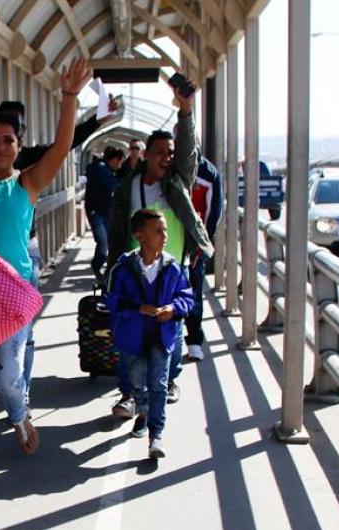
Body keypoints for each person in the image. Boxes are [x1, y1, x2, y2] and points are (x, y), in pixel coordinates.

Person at [0, 57, 93, 488]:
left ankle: (18, 413)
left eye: (7, 140)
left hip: (13, 296)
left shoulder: (27, 184)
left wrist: (69, 98)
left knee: (7, 372)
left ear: (19, 146)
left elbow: (62, 147)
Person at [105, 75, 213, 421]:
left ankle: (168, 381)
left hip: (174, 267)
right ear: (146, 156)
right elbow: (118, 229)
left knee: (172, 330)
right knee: (131, 333)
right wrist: (111, 266)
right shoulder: (129, 188)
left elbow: (187, 154)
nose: (167, 157)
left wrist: (186, 112)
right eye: (160, 153)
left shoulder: (176, 183)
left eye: (170, 152)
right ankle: (130, 394)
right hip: (136, 271)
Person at [106, 209, 194, 458]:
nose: (164, 235)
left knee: (158, 385)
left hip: (161, 336)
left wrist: (174, 309)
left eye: (165, 230)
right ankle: (142, 412)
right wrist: (138, 308)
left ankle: (156, 435)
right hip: (132, 338)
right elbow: (111, 300)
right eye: (157, 231)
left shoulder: (172, 267)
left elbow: (187, 297)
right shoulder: (123, 268)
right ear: (139, 235)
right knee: (137, 383)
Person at [184, 151, 223, 361]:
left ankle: (194, 340)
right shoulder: (169, 165)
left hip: (194, 244)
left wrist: (200, 245)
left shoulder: (208, 173)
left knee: (193, 291)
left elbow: (213, 212)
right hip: (166, 238)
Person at [85, 146, 125, 284]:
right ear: (114, 159)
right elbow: (113, 186)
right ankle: (96, 266)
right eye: (119, 162)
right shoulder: (101, 169)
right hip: (96, 213)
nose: (120, 166)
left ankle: (100, 268)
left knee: (108, 243)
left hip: (106, 214)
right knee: (103, 245)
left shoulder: (106, 170)